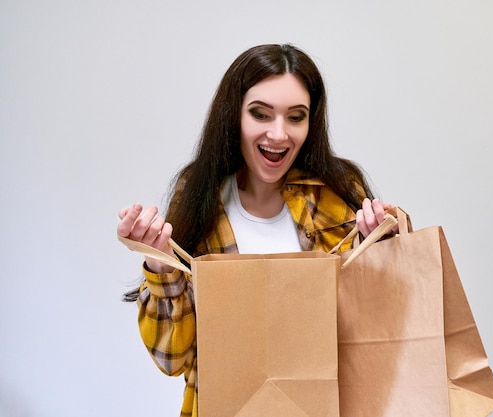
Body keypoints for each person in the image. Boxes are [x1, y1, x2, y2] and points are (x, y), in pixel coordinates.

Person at [117, 43, 395, 417]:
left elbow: (378, 337)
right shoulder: (199, 193)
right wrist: (162, 270)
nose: (278, 134)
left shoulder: (340, 190)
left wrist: (384, 254)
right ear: (234, 115)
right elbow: (172, 360)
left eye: (296, 117)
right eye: (260, 114)